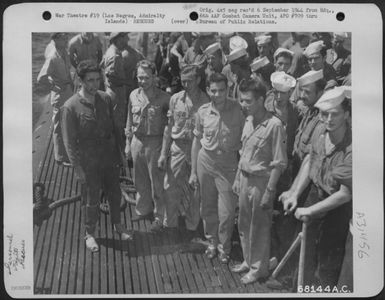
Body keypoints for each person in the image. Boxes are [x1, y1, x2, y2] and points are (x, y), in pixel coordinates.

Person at [280, 86, 352, 288]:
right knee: (305, 248)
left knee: (327, 261)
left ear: (346, 114)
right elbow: (310, 161)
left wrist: (309, 210)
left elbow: (344, 195)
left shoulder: (351, 147)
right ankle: (299, 288)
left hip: (336, 207)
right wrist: (295, 194)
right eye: (325, 114)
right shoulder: (321, 130)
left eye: (334, 114)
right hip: (315, 193)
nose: (328, 119)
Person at [61, 60, 132, 252]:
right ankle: (90, 233)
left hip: (109, 157)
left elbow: (115, 128)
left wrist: (121, 153)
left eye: (97, 80)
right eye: (90, 80)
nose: (95, 84)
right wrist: (78, 169)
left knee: (115, 193)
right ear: (80, 80)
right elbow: (68, 142)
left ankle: (118, 225)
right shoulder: (70, 107)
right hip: (88, 160)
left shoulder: (105, 99)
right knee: (91, 199)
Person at [231, 79, 287, 284]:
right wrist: (238, 178)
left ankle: (259, 268)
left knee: (260, 227)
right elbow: (243, 152)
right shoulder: (249, 120)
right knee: (244, 224)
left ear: (261, 100)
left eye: (247, 101)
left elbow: (279, 163)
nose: (243, 105)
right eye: (241, 100)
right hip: (245, 179)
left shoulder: (275, 125)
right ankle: (249, 260)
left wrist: (269, 191)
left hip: (262, 183)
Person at [190, 73, 244, 264]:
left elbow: (246, 140)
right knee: (207, 206)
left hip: (228, 164)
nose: (218, 94)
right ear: (208, 90)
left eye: (222, 90)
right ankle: (212, 242)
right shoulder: (202, 112)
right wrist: (193, 172)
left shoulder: (239, 109)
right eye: (213, 91)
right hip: (205, 161)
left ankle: (225, 246)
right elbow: (196, 142)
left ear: (227, 90)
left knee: (228, 212)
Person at [158, 65, 210, 236]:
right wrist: (163, 154)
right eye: (183, 81)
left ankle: (192, 227)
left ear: (198, 80)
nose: (186, 85)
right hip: (178, 147)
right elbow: (169, 127)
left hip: (198, 148)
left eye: (189, 81)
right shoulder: (175, 99)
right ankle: (169, 224)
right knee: (170, 186)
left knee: (195, 189)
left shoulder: (207, 102)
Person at [125, 60, 170, 232]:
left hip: (155, 143)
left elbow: (169, 127)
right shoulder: (132, 95)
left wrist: (164, 152)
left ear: (154, 77)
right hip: (137, 141)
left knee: (157, 183)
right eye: (139, 78)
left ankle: (159, 217)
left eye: (146, 77)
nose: (142, 81)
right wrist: (128, 144)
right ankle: (143, 210)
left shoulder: (165, 99)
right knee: (139, 180)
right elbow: (129, 119)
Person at [37, 32, 73, 165]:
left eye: (66, 38)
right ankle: (59, 157)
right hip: (59, 95)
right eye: (63, 38)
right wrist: (54, 87)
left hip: (68, 91)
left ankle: (68, 152)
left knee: (67, 123)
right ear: (56, 40)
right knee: (58, 126)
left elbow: (68, 71)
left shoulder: (64, 52)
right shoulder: (52, 57)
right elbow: (41, 78)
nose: (66, 40)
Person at [100, 32, 128, 137]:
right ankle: (118, 149)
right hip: (116, 93)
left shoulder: (111, 50)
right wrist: (127, 82)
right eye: (125, 37)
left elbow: (102, 65)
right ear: (119, 39)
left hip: (112, 91)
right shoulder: (115, 55)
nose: (128, 39)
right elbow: (111, 78)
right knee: (117, 124)